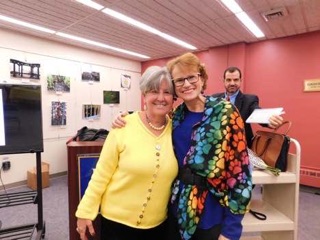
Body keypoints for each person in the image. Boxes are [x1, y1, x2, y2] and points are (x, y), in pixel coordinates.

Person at [112, 53, 252, 240]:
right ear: (174, 88)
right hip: (176, 210)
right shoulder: (177, 116)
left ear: (201, 78)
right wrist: (126, 117)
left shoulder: (225, 113)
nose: (186, 84)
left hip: (211, 213)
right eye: (179, 81)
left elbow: (240, 172)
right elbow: (152, 120)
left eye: (191, 77)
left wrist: (231, 229)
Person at [75, 66, 178, 240]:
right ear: (144, 95)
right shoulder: (123, 127)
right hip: (117, 223)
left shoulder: (177, 129)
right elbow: (101, 173)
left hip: (158, 226)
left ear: (173, 98)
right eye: (154, 91)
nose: (161, 98)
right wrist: (85, 211)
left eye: (167, 92)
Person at [212, 66, 283, 148]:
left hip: (242, 148)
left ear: (240, 81)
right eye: (228, 80)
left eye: (236, 80)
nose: (232, 83)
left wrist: (268, 119)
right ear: (223, 81)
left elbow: (256, 111)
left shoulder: (249, 100)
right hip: (219, 147)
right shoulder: (215, 99)